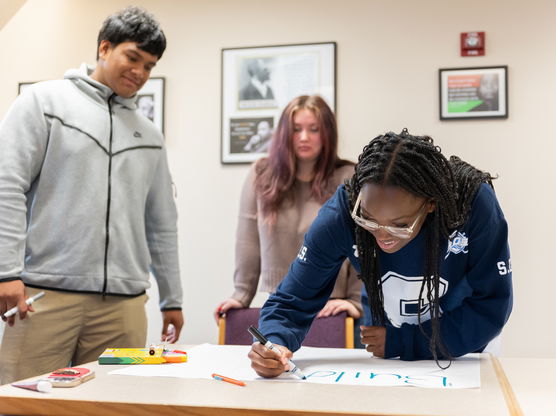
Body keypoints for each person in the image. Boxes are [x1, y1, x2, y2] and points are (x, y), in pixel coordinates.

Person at [0, 6, 183, 384]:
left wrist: (173, 298)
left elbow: (162, 223)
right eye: (132, 57)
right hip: (44, 298)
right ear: (104, 48)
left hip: (124, 306)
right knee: (26, 403)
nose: (140, 72)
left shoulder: (150, 135)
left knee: (116, 406)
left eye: (149, 66)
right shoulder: (43, 103)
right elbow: (7, 186)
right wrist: (6, 272)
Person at [248, 129, 513, 378]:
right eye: (369, 219)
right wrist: (274, 342)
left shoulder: (471, 204)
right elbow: (294, 297)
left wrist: (404, 341)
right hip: (387, 356)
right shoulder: (342, 213)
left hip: (465, 351)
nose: (383, 235)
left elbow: (491, 304)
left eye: (400, 225)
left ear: (431, 205)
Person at [215, 95, 363, 331]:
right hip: (281, 303)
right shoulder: (261, 173)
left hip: (333, 307)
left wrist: (356, 302)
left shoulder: (348, 176)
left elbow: (362, 243)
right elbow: (248, 240)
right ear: (284, 133)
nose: (304, 137)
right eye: (296, 129)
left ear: (327, 133)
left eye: (314, 129)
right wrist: (241, 294)